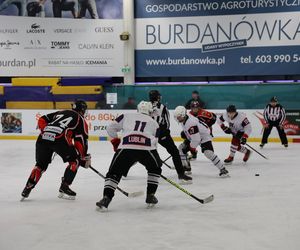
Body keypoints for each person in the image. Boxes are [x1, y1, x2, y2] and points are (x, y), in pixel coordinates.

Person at [96, 101, 162, 210]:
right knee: (155, 169)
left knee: (114, 173)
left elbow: (110, 128)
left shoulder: (126, 116)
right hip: (147, 149)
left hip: (126, 147)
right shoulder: (155, 123)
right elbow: (155, 142)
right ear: (150, 111)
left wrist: (117, 142)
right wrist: (155, 162)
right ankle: (150, 196)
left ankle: (106, 199)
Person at [21, 100, 91, 200]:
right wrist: (82, 157)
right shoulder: (81, 120)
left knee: (40, 165)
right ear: (83, 110)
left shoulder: (61, 112)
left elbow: (42, 119)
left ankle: (27, 188)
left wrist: (47, 131)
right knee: (74, 161)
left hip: (43, 138)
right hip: (60, 140)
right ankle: (65, 186)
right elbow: (80, 141)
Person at [149, 90, 192, 183]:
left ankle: (124, 172)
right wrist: (166, 133)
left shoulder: (144, 106)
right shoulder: (162, 107)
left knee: (139, 151)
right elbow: (167, 123)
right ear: (158, 97)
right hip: (161, 134)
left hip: (148, 134)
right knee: (175, 153)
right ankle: (181, 174)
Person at [174, 106, 229, 177]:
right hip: (195, 135)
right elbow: (193, 135)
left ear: (184, 115)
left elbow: (196, 139)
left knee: (208, 153)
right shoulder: (183, 120)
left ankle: (223, 169)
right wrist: (187, 136)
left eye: (179, 116)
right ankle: (186, 167)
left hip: (204, 137)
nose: (178, 118)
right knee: (181, 148)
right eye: (176, 117)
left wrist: (192, 148)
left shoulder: (190, 123)